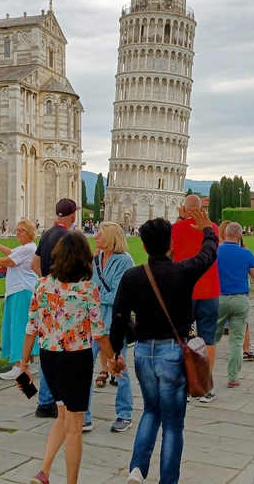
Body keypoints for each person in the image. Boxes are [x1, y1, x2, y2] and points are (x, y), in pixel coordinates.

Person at [110, 210, 218, 484]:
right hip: (172, 352)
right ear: (171, 244)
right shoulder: (182, 271)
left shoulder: (133, 276)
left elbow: (120, 317)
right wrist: (208, 230)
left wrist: (114, 353)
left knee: (150, 410)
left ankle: (137, 468)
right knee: (172, 424)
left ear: (143, 246)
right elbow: (208, 254)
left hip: (144, 352)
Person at [18, 231, 124, 484]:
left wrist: (23, 364)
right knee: (75, 428)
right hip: (76, 359)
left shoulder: (42, 285)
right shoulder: (88, 289)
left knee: (63, 415)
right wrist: (113, 360)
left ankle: (43, 470)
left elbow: (31, 327)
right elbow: (99, 333)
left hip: (50, 357)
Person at [30, 198, 80, 418]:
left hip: (45, 295)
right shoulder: (68, 237)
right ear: (73, 215)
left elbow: (34, 263)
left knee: (47, 344)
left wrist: (46, 283)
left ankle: (45, 400)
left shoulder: (47, 233)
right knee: (63, 347)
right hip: (64, 299)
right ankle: (55, 399)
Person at [85, 222, 135, 432]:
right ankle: (84, 415)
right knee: (85, 369)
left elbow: (117, 295)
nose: (96, 236)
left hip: (114, 324)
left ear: (112, 238)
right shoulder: (96, 260)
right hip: (93, 324)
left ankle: (125, 414)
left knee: (119, 367)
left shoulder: (124, 261)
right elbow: (89, 288)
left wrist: (93, 296)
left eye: (100, 233)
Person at [172, 194, 220, 403]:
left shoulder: (176, 229)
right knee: (208, 338)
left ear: (184, 209)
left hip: (184, 291)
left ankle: (185, 381)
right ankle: (206, 386)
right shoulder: (213, 228)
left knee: (182, 338)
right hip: (209, 290)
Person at [0, 219, 39, 379]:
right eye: (17, 229)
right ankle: (30, 362)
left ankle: (19, 365)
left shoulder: (27, 249)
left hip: (21, 290)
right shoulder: (27, 248)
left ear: (29, 233)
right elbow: (10, 252)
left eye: (22, 230)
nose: (18, 232)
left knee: (18, 328)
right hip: (23, 290)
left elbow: (6, 261)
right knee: (26, 327)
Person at [215, 222, 254, 388]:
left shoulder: (215, 251)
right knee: (236, 340)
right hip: (240, 297)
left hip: (219, 296)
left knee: (212, 337)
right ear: (240, 235)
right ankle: (232, 377)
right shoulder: (245, 253)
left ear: (224, 233)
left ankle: (205, 374)